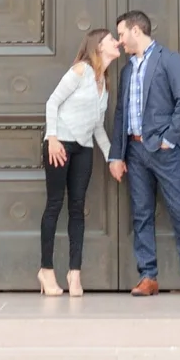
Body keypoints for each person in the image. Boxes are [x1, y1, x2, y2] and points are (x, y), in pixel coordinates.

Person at [107, 9, 180, 296]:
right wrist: (117, 155)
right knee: (141, 215)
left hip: (165, 153)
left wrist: (168, 139)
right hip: (134, 151)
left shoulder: (169, 59)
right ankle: (148, 276)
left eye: (121, 34)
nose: (120, 40)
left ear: (136, 30)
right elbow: (121, 113)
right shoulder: (127, 70)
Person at [38, 28, 120, 296]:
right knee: (54, 205)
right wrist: (52, 138)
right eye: (111, 40)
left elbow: (97, 127)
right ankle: (46, 271)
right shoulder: (80, 71)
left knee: (77, 208)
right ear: (99, 46)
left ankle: (74, 274)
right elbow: (52, 102)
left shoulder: (104, 83)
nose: (117, 43)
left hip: (84, 148)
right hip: (59, 144)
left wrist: (112, 158)